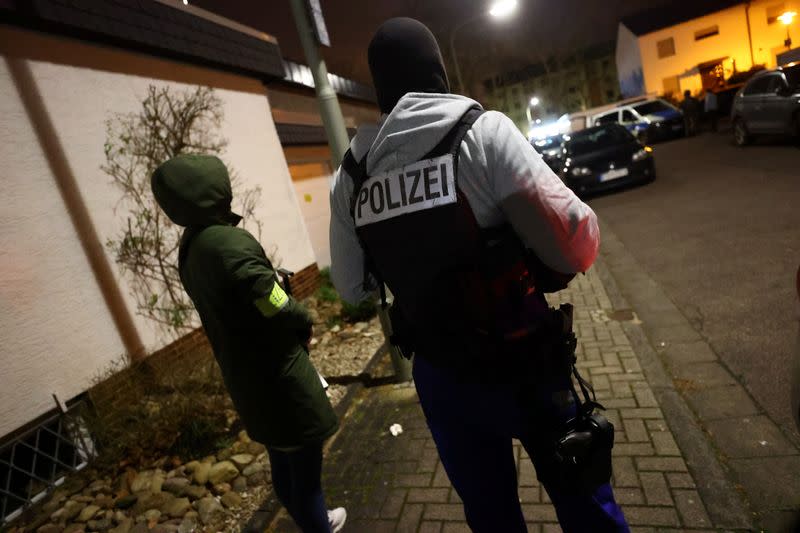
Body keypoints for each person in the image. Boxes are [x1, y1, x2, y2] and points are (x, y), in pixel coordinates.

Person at [329, 17, 629, 533]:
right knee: (581, 495)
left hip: (443, 376)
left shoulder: (352, 175)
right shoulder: (482, 133)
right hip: (524, 360)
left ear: (381, 87)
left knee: (491, 517)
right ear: (437, 73)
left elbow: (353, 287)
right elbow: (577, 240)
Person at [151, 154, 346, 533]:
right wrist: (301, 316)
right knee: (305, 474)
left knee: (282, 461)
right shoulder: (226, 243)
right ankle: (318, 524)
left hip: (248, 379)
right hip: (278, 377)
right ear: (214, 191)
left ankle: (314, 519)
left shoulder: (192, 247)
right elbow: (268, 297)